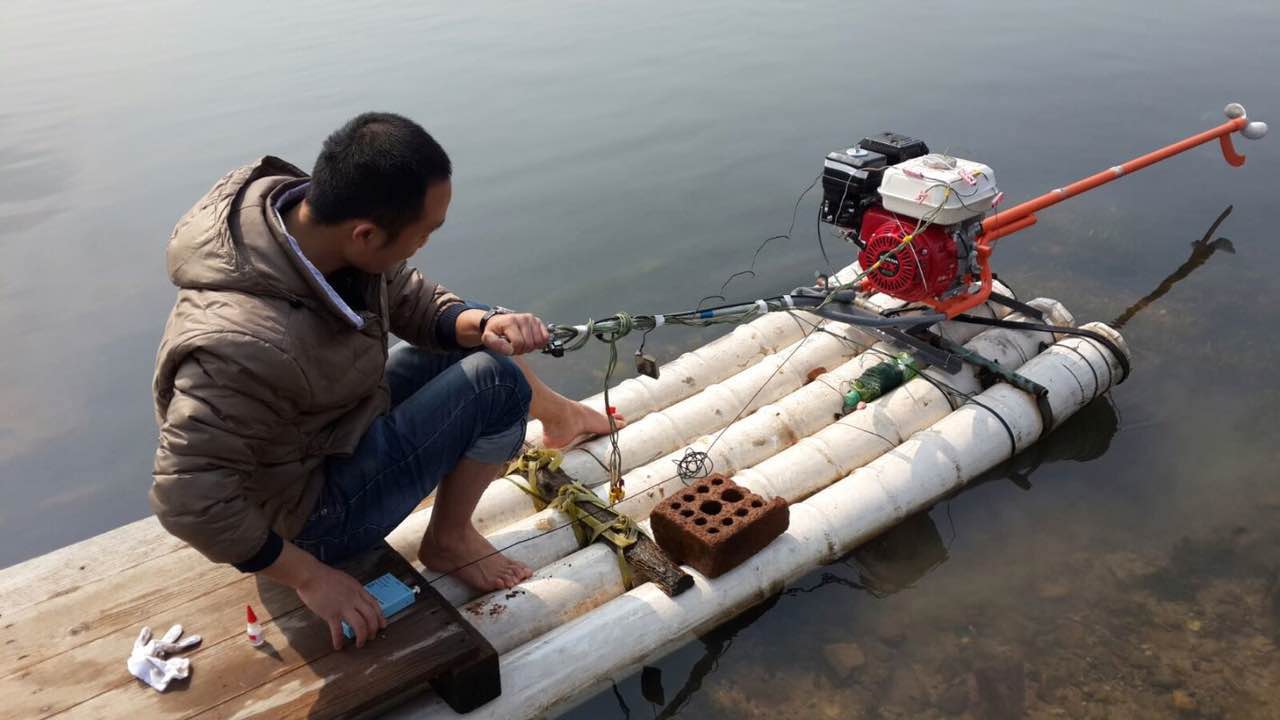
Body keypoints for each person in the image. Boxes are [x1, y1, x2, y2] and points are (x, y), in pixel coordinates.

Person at [150, 112, 622, 650]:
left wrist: (485, 324)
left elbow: (409, 298)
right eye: (422, 234)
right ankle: (448, 540)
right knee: (498, 384)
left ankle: (544, 418)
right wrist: (309, 577)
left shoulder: (309, 233)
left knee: (478, 342)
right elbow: (187, 498)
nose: (422, 246)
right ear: (367, 234)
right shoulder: (237, 347)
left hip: (327, 436)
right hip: (308, 521)